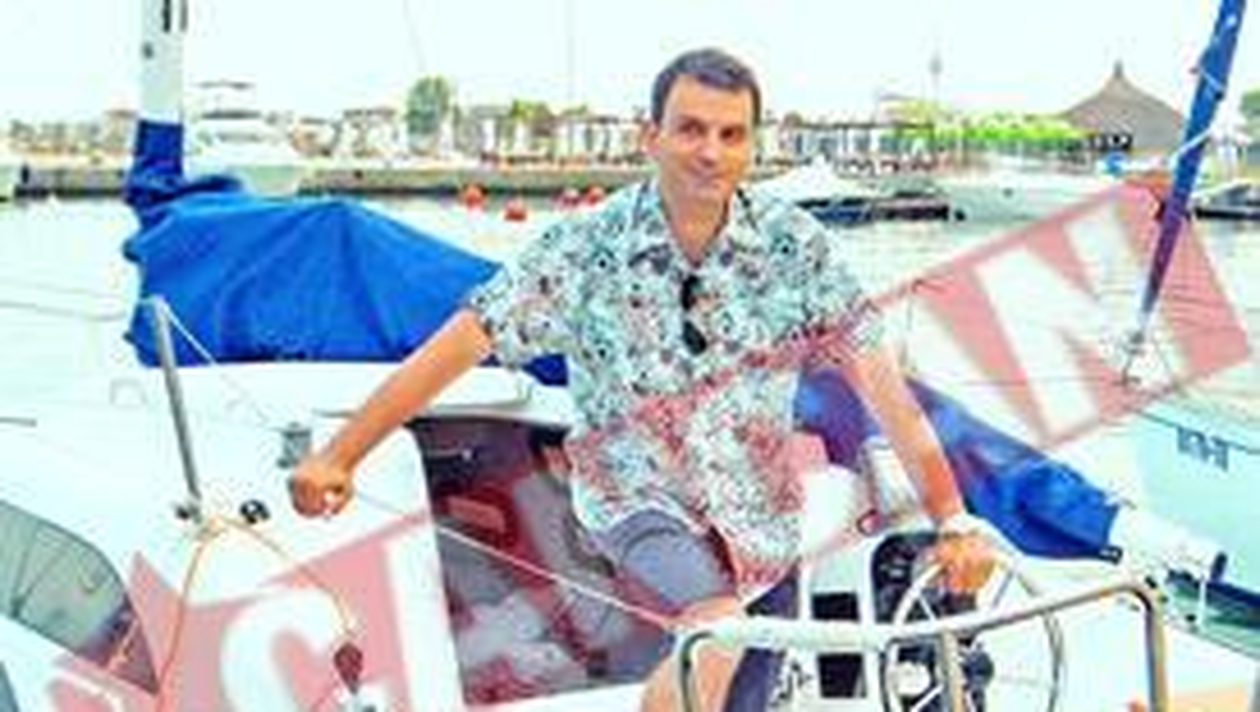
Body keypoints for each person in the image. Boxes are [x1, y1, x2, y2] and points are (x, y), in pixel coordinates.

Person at [289, 47, 994, 712]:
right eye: (690, 129)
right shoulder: (585, 247)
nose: (710, 151)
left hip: (761, 526)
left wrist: (954, 518)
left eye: (730, 134)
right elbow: (467, 339)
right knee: (719, 630)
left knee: (743, 685)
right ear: (650, 136)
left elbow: (885, 391)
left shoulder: (797, 249)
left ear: (752, 146)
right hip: (635, 500)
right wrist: (341, 454)